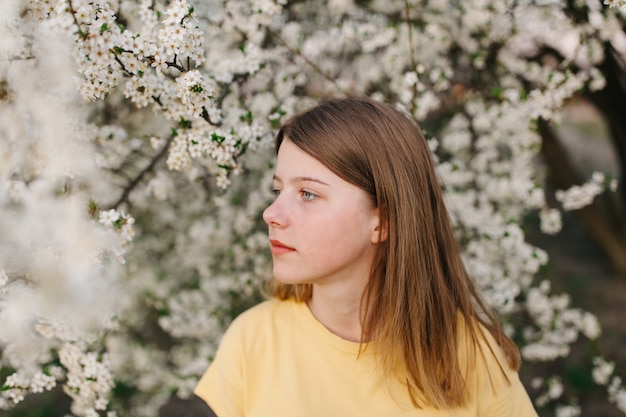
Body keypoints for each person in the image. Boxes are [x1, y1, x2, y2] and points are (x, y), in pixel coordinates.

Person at [194, 97, 538, 416]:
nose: (272, 213)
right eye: (277, 190)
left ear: (383, 221)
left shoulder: (470, 355)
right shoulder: (253, 341)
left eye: (308, 194)